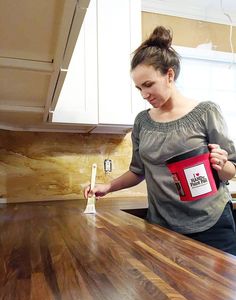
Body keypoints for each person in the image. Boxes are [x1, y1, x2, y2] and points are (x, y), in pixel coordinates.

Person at [84, 26, 236, 255]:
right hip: (162, 226)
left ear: (170, 75)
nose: (144, 94)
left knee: (217, 291)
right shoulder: (142, 122)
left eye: (148, 85)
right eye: (138, 88)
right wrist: (108, 187)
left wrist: (222, 164)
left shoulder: (206, 112)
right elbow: (138, 171)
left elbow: (231, 170)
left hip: (211, 225)